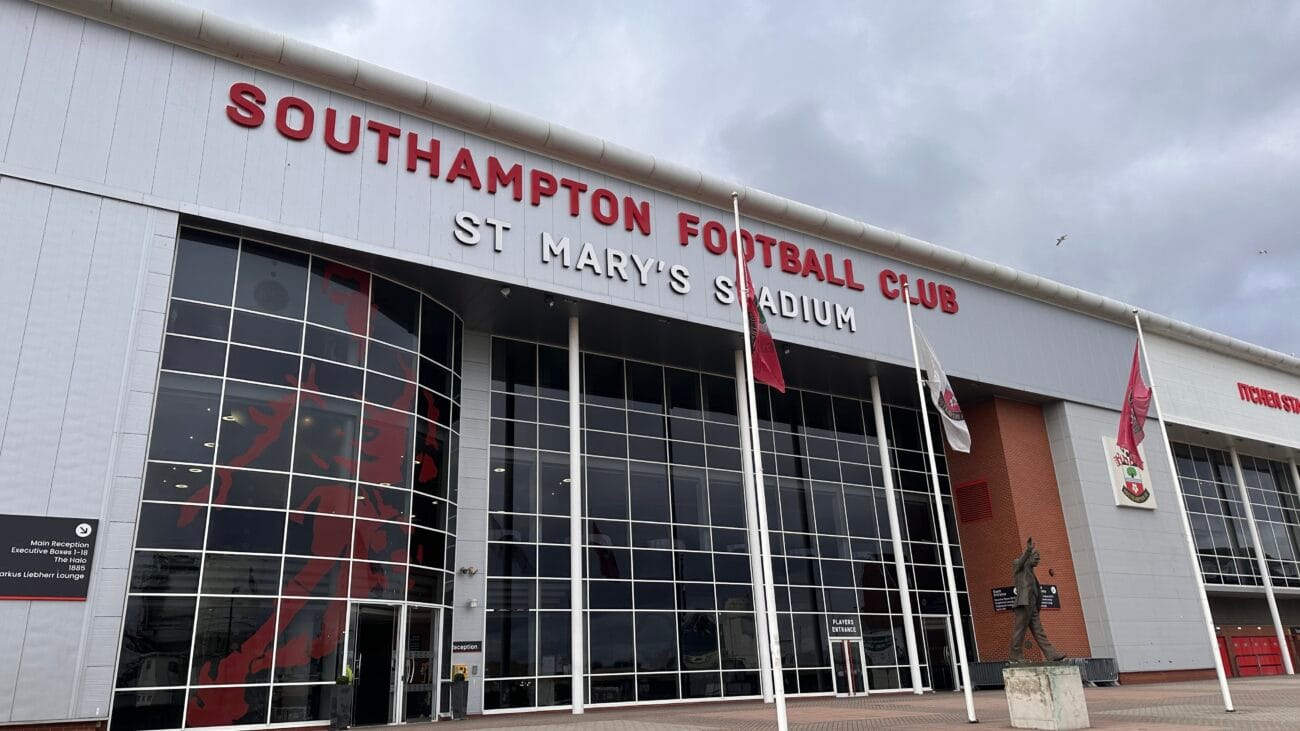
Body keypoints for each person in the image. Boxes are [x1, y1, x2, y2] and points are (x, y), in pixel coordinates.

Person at [1009, 537, 1066, 662]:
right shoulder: (1019, 565)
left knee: (1039, 631)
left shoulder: (1031, 571)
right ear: (1029, 557)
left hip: (1032, 603)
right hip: (1024, 604)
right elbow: (1020, 562)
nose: (1038, 561)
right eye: (1036, 558)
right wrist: (1028, 550)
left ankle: (1051, 654)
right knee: (1020, 629)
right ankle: (1015, 653)